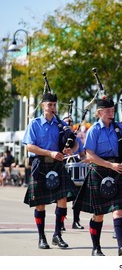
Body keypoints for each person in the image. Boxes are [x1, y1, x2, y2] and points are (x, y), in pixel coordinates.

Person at [73, 97, 122, 256]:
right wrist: (110, 165)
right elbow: (90, 155)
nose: (111, 114)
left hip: (116, 171)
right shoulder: (94, 130)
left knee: (118, 210)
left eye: (113, 111)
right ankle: (96, 248)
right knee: (98, 213)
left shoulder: (118, 129)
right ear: (99, 113)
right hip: (99, 171)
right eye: (108, 111)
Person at [22, 91, 79, 249]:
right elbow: (29, 146)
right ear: (43, 106)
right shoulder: (35, 123)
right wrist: (50, 152)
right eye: (49, 105)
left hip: (57, 165)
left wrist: (71, 149)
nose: (52, 107)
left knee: (62, 200)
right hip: (40, 164)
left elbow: (76, 142)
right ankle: (41, 237)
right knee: (40, 204)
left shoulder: (61, 125)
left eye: (54, 105)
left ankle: (57, 235)